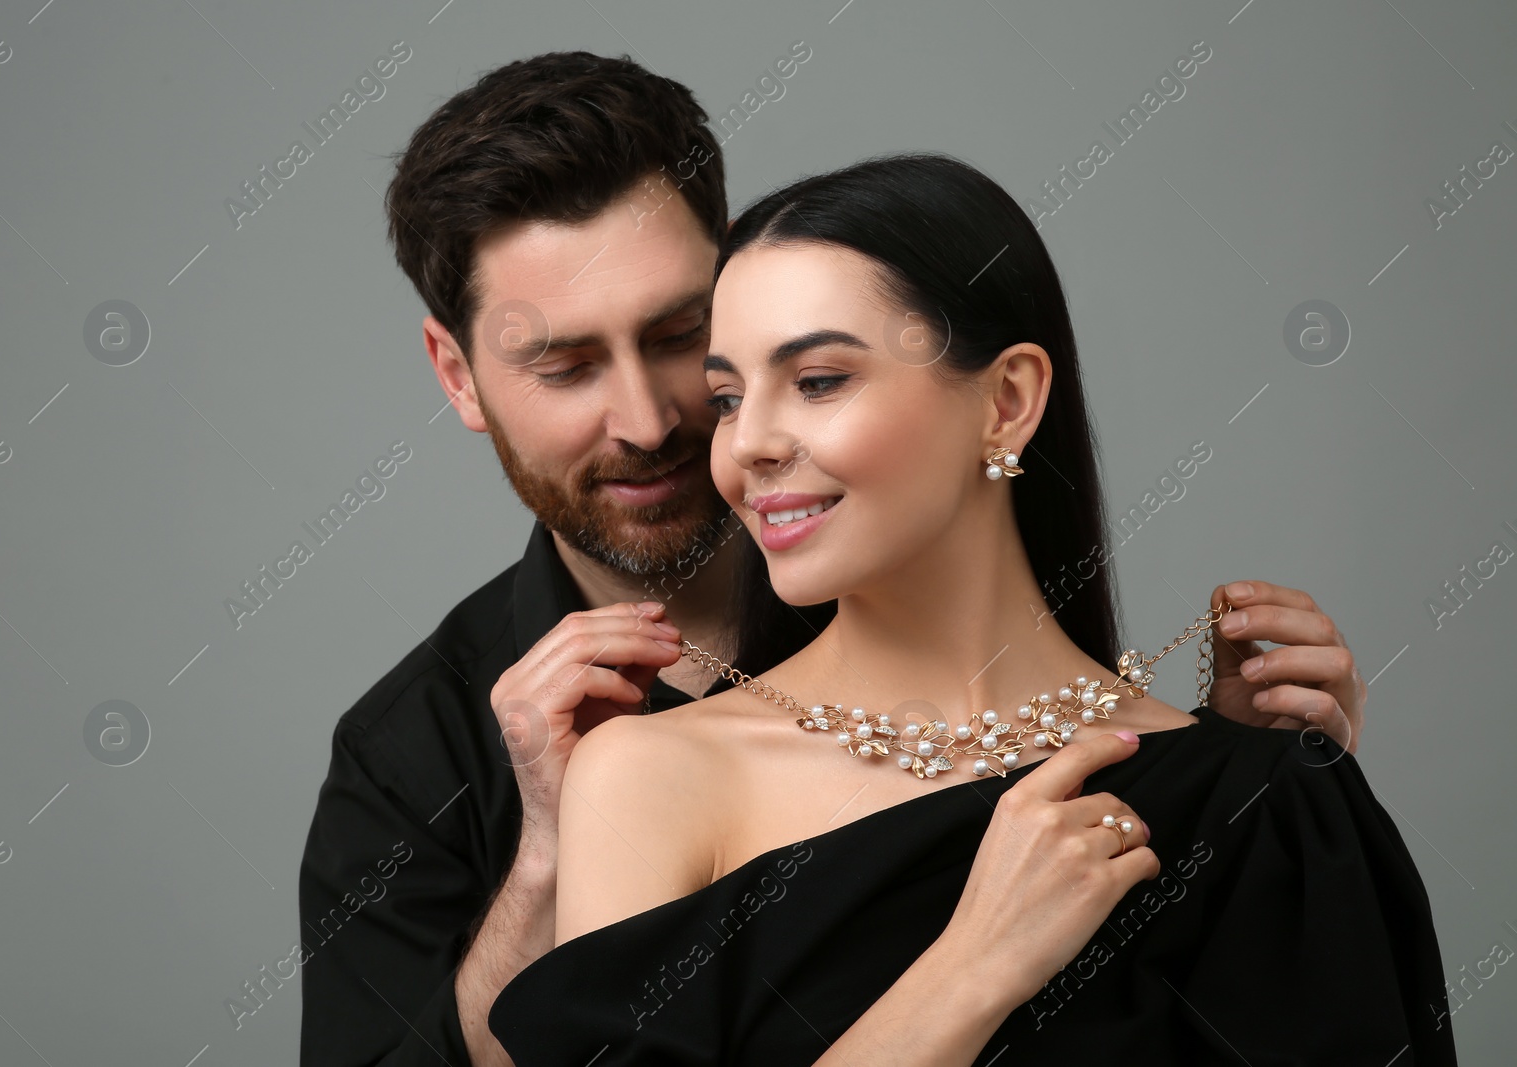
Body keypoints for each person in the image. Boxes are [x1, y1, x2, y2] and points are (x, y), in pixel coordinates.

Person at [296, 54, 1371, 1067]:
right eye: (567, 364)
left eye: (684, 341)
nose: (653, 418)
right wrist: (546, 858)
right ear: (458, 373)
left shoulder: (1225, 779)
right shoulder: (422, 757)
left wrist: (1228, 789)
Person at [484, 153, 1456, 1065]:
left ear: (1006, 400)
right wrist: (971, 969)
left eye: (817, 380)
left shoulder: (1247, 801)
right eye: (729, 397)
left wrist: (1243, 796)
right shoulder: (653, 774)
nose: (749, 447)